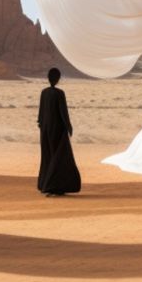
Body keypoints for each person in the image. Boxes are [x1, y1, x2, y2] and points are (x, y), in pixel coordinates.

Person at [37, 67, 81, 195]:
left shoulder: (44, 92)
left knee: (48, 155)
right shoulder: (59, 93)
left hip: (45, 129)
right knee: (59, 156)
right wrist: (69, 126)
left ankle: (44, 184)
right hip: (57, 129)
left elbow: (40, 113)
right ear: (57, 79)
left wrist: (41, 125)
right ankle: (53, 186)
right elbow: (63, 112)